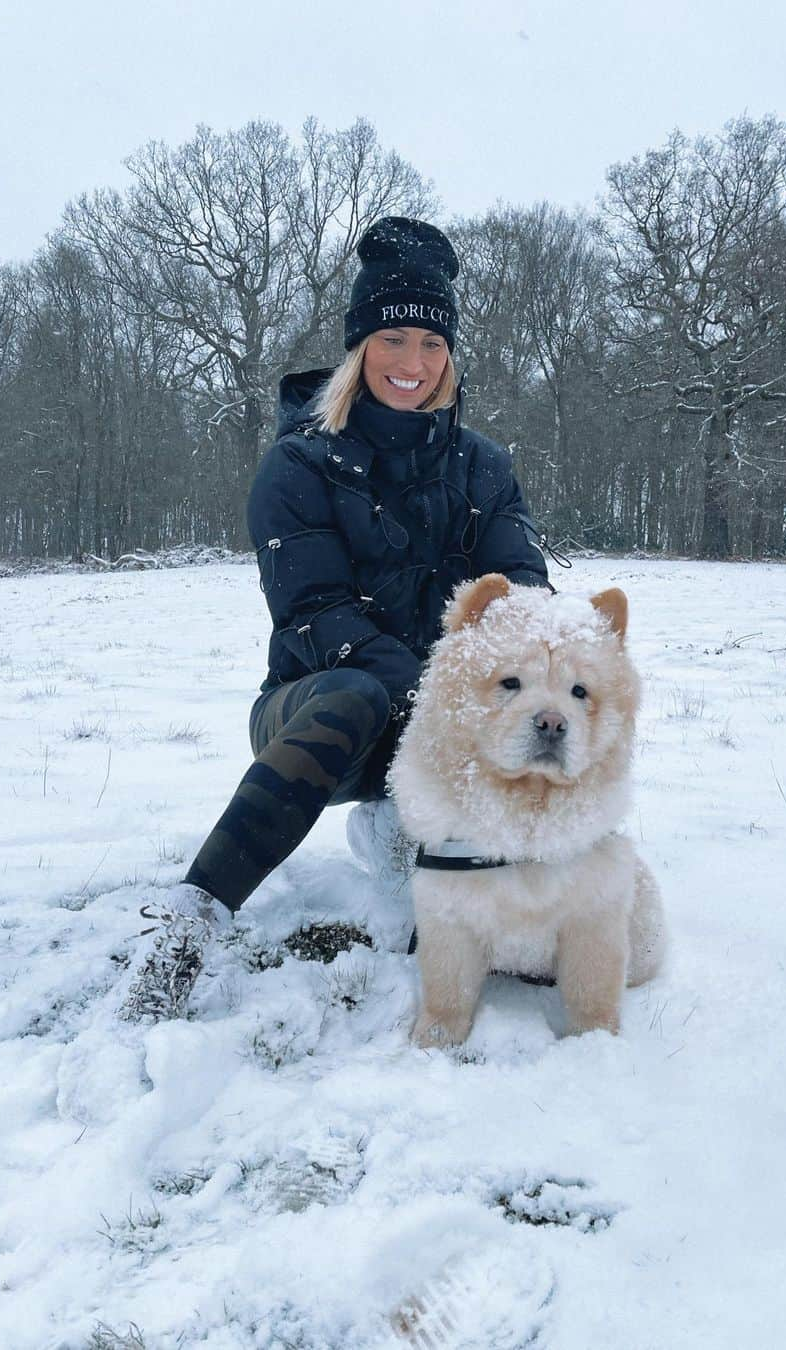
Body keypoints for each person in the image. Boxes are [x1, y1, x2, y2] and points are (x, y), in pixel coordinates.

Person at [120, 217, 551, 1021]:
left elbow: (521, 595)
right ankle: (190, 925)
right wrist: (443, 699)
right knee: (356, 689)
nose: (412, 365)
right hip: (318, 716)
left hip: (454, 722)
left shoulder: (485, 466)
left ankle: (427, 857)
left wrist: (495, 693)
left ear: (451, 355)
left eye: (431, 345)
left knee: (544, 713)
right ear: (360, 348)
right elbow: (316, 612)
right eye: (392, 339)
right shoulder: (299, 464)